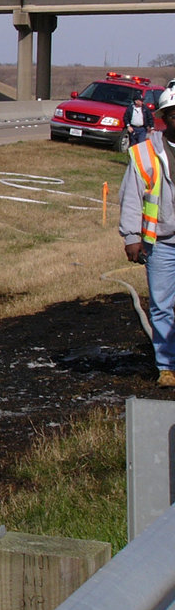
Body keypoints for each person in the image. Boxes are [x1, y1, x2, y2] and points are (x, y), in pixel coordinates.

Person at [120, 87, 175, 387]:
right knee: (162, 305)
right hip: (162, 243)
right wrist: (131, 236)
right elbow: (131, 196)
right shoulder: (146, 153)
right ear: (165, 117)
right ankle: (167, 366)